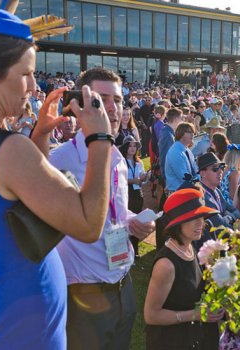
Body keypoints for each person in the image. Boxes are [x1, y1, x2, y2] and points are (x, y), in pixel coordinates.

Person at [0, 8, 113, 348]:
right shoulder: (10, 150)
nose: (33, 85)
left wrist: (40, 135)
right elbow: (88, 224)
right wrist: (100, 139)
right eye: (26, 74)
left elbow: (12, 198)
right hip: (20, 324)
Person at [48, 67, 155, 350]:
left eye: (118, 100)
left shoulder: (118, 158)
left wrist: (133, 221)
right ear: (80, 107)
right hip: (83, 296)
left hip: (123, 285)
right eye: (101, 100)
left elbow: (114, 214)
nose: (113, 108)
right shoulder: (59, 161)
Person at [145, 188, 223, 350]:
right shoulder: (166, 265)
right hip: (172, 342)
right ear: (178, 223)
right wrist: (195, 314)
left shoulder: (190, 247)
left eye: (202, 217)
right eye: (194, 218)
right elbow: (151, 315)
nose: (201, 223)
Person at [196, 152, 240, 249]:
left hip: (220, 242)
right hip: (209, 249)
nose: (220, 171)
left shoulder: (216, 191)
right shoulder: (202, 196)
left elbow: (236, 211)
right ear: (202, 173)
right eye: (215, 169)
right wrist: (230, 218)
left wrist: (227, 217)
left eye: (222, 167)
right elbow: (221, 227)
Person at [119, 135, 148, 256]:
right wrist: (134, 180)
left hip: (137, 194)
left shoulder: (139, 162)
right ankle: (125, 250)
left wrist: (145, 177)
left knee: (137, 221)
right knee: (126, 222)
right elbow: (119, 179)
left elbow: (142, 180)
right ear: (125, 147)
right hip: (127, 193)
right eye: (130, 146)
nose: (132, 148)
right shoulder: (121, 161)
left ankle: (135, 250)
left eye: (134, 146)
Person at [164, 122, 198, 194]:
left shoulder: (187, 150)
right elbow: (184, 178)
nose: (192, 134)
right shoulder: (175, 152)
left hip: (186, 190)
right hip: (177, 192)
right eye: (189, 132)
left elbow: (195, 169)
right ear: (181, 134)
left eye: (193, 132)